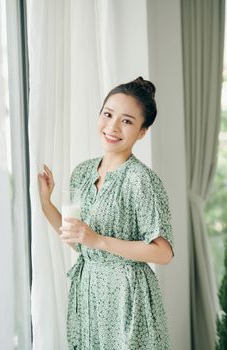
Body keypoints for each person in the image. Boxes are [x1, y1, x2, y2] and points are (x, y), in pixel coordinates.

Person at [38, 77, 174, 349]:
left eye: (126, 121)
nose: (112, 126)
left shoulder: (141, 180)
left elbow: (163, 253)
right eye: (108, 114)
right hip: (88, 293)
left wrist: (98, 240)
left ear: (142, 131)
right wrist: (46, 200)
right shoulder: (83, 172)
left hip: (128, 298)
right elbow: (76, 238)